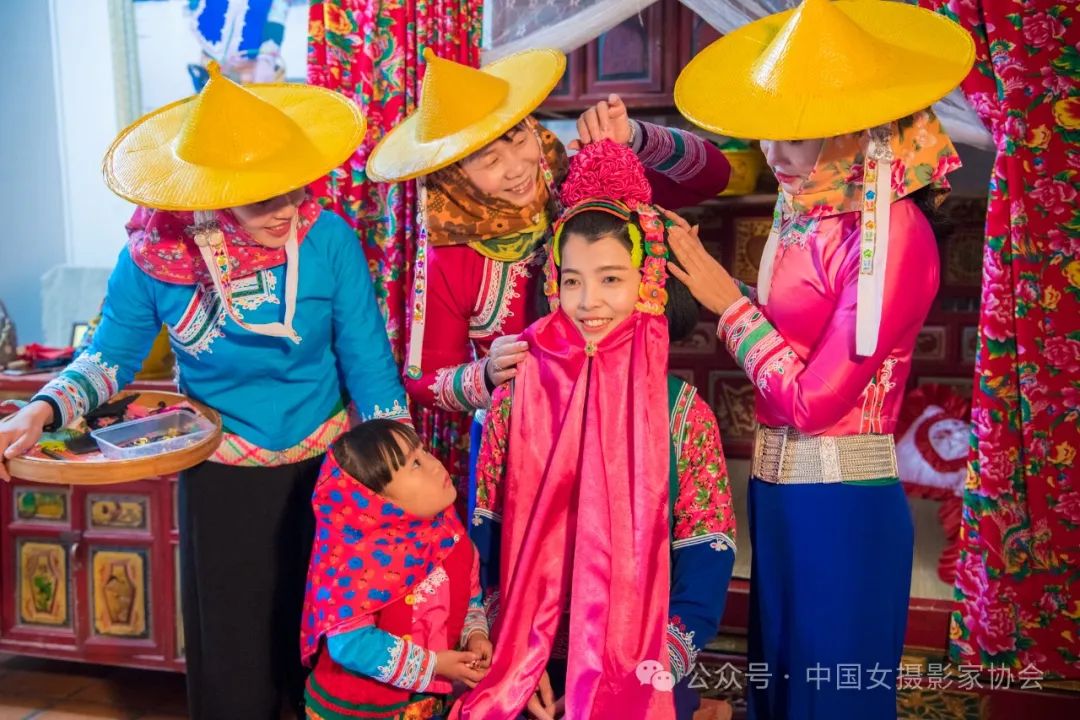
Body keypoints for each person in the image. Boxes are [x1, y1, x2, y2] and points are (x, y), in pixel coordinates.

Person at [0, 63, 409, 719]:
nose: (285, 210)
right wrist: (42, 409)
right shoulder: (154, 256)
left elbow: (369, 363)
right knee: (232, 652)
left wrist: (398, 467)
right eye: (259, 199)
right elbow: (109, 358)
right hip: (221, 474)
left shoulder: (328, 238)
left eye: (291, 189)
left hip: (326, 473)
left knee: (323, 645)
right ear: (214, 193)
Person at [667, 1, 975, 717]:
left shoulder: (892, 234)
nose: (775, 156)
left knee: (830, 696)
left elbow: (814, 402)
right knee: (777, 688)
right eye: (770, 133)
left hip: (841, 502)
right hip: (778, 494)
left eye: (798, 138)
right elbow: (792, 332)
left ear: (857, 134)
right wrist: (704, 278)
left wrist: (729, 305)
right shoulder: (806, 208)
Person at [366, 49, 731, 516]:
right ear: (453, 172)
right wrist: (487, 374)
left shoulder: (585, 182)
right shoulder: (450, 255)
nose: (517, 167)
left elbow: (712, 176)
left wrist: (635, 138)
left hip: (624, 426)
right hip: (519, 447)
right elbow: (423, 380)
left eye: (519, 138)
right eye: (488, 160)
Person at [452, 140, 737, 720]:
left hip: (641, 653)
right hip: (527, 646)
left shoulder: (682, 412)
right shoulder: (514, 397)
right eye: (573, 281)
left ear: (648, 282)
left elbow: (706, 550)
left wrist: (648, 666)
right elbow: (485, 532)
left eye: (610, 279)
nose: (588, 303)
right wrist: (509, 652)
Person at [300, 419, 490, 720]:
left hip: (426, 705)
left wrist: (475, 635)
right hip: (356, 711)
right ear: (377, 502)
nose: (434, 465)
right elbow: (349, 644)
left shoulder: (454, 540)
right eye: (415, 464)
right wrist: (433, 665)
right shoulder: (357, 565)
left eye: (424, 451)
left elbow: (472, 601)